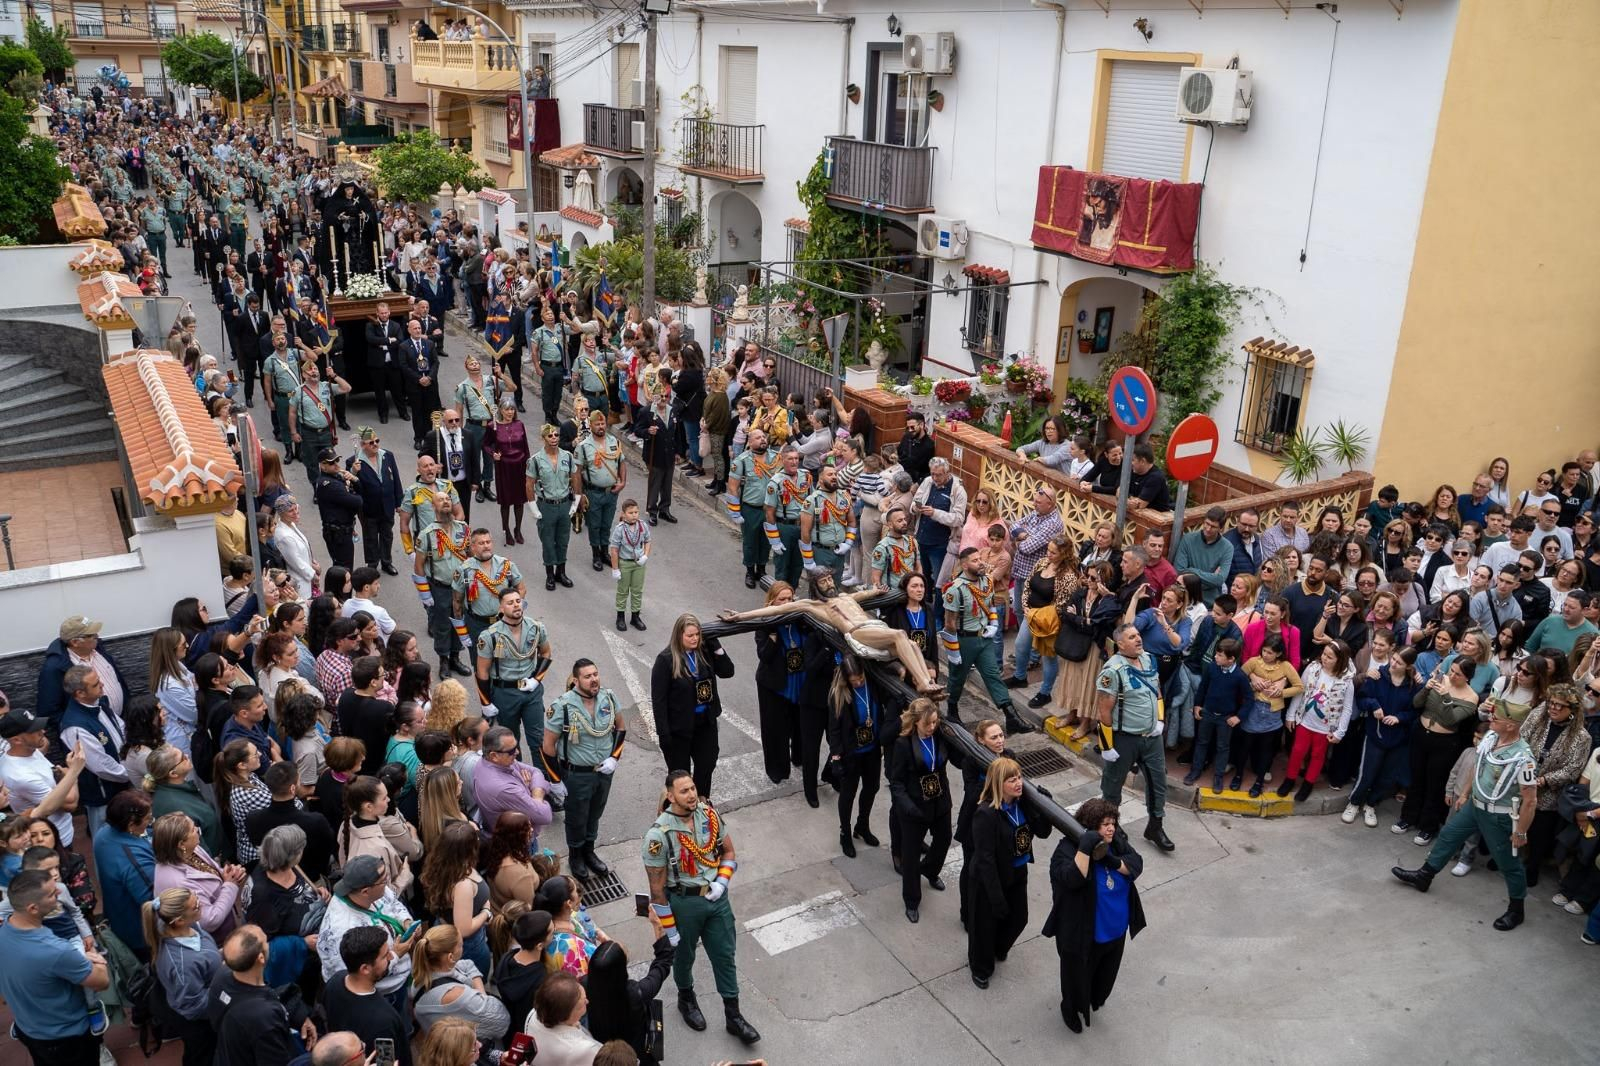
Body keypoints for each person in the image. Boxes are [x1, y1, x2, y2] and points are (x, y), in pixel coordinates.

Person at [1390, 695, 1539, 931]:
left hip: (1498, 815)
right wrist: (1465, 793)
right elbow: (1478, 767)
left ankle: (1516, 909)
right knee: (1448, 835)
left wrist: (1520, 832)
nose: (1491, 718)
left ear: (1511, 725)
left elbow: (1530, 801)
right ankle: (1424, 876)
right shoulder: (1491, 738)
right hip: (1475, 806)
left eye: (1496, 718)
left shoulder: (1524, 759)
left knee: (1509, 863)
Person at [640, 770, 760, 1045]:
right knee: (683, 956)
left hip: (716, 899)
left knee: (725, 955)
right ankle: (686, 999)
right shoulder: (659, 835)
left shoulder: (709, 815)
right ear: (670, 796)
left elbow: (728, 852)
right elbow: (657, 891)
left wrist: (722, 882)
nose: (692, 794)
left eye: (693, 788)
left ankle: (734, 1016)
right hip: (684, 903)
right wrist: (668, 929)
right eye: (684, 791)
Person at [1043, 798, 1146, 1033]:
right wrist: (1085, 849)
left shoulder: (1115, 842)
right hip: (1083, 935)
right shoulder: (1067, 850)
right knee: (1075, 980)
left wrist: (1110, 859)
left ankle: (1093, 999)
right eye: (1105, 824)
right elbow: (1071, 880)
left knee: (1103, 981)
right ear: (1090, 826)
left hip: (1115, 930)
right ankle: (1069, 1008)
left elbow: (1136, 863)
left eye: (1113, 823)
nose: (1111, 828)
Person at [0, 869, 111, 1064]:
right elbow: (101, 982)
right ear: (33, 908)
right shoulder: (56, 951)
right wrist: (94, 958)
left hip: (30, 1030)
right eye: (52, 894)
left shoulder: (4, 930)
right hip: (67, 1037)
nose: (59, 893)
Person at [967, 756, 1051, 988]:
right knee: (984, 925)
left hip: (1017, 871)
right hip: (990, 878)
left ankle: (998, 947)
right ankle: (980, 967)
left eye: (1019, 777)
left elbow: (1043, 832)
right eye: (1011, 779)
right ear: (998, 783)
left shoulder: (1022, 804)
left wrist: (1045, 806)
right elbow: (985, 859)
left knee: (1019, 918)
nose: (1018, 783)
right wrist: (996, 897)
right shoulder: (986, 814)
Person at [541, 659, 626, 881]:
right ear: (576, 680)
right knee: (577, 816)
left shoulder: (608, 697)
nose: (594, 679)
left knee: (595, 812)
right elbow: (548, 746)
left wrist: (614, 758)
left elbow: (621, 727)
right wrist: (555, 780)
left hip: (603, 771)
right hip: (577, 774)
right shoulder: (563, 706)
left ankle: (589, 851)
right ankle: (576, 856)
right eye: (588, 676)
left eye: (596, 674)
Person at [1094, 624, 1176, 851]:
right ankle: (1112, 826)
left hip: (1151, 737)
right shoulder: (1112, 671)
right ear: (1120, 644)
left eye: (1138, 635)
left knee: (1158, 783)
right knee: (1112, 787)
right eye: (1132, 637)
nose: (1138, 639)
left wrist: (1160, 721)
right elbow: (1104, 710)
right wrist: (1107, 746)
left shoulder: (1149, 659)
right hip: (1124, 738)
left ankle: (1155, 826)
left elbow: (1157, 690)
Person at [944, 547, 1033, 734]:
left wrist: (993, 624)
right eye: (975, 560)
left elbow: (990, 605)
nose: (981, 563)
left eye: (980, 559)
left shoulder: (986, 581)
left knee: (993, 676)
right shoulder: (956, 589)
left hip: (984, 640)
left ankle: (1012, 717)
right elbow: (950, 623)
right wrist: (953, 650)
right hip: (964, 640)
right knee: (957, 677)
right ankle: (952, 711)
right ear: (965, 564)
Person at [651, 614, 736, 799]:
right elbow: (659, 701)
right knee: (681, 776)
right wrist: (663, 734)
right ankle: (682, 810)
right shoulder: (665, 660)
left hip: (705, 724)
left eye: (697, 634)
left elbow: (728, 672)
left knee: (707, 765)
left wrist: (717, 647)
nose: (695, 639)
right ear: (679, 635)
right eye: (690, 635)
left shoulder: (704, 652)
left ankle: (702, 804)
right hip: (679, 729)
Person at [208, 924, 317, 1066]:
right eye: (266, 942)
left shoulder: (222, 976)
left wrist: (299, 1015)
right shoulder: (263, 1017)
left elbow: (269, 994)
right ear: (261, 958)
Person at [887, 698, 953, 923]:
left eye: (935, 722)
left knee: (944, 839)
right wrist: (908, 807)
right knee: (911, 854)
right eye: (928, 724)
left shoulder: (940, 736)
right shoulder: (903, 745)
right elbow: (896, 782)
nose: (932, 727)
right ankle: (912, 900)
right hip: (915, 807)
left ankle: (931, 870)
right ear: (916, 722)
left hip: (940, 802)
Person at [146, 887, 222, 1066]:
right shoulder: (182, 964)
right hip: (200, 1024)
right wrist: (226, 990)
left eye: (197, 897)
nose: (200, 904)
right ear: (179, 920)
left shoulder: (185, 925)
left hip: (208, 1007)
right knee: (202, 1056)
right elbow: (194, 1007)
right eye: (195, 906)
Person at [826, 657, 892, 860]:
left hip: (871, 749)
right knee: (848, 794)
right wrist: (836, 756)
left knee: (871, 788)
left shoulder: (872, 684)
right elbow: (834, 729)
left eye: (860, 678)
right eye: (853, 680)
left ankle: (862, 825)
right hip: (851, 753)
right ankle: (845, 832)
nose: (858, 683)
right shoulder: (839, 695)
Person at [473, 588, 551, 753]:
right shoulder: (489, 636)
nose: (516, 605)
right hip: (505, 693)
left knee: (538, 738)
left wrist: (536, 680)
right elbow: (482, 671)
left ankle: (542, 776)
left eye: (518, 601)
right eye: (510, 603)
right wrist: (485, 703)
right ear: (501, 608)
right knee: (510, 740)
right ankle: (515, 775)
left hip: (531, 691)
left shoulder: (536, 628)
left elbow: (546, 653)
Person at [321, 926, 412, 1066]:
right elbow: (385, 1063)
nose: (390, 957)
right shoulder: (384, 1021)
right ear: (365, 969)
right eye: (385, 955)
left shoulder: (335, 982)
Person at [56, 665, 130, 837]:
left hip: (121, 783)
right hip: (103, 795)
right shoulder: (75, 726)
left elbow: (121, 728)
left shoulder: (99, 703)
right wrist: (132, 773)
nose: (102, 685)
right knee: (106, 839)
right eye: (96, 684)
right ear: (80, 693)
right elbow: (101, 766)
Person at [1279, 641, 1357, 801]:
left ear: (1339, 660)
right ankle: (1290, 778)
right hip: (1306, 721)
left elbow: (1347, 709)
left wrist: (1340, 731)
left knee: (1317, 755)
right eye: (1324, 654)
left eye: (1330, 657)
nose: (1324, 658)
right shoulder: (1312, 668)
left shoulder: (1347, 681)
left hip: (1325, 727)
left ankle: (1308, 783)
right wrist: (1291, 715)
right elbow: (1301, 691)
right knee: (1298, 750)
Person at [409, 923, 511, 1042]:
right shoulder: (456, 994)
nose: (462, 948)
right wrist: (482, 995)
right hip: (457, 1051)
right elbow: (502, 1019)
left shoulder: (422, 975)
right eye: (461, 945)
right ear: (450, 957)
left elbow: (467, 964)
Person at [92, 789, 156, 954]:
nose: (150, 822)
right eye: (148, 819)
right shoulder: (133, 857)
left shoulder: (104, 833)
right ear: (131, 824)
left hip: (118, 918)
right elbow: (153, 899)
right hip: (141, 932)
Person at [453, 528, 527, 669]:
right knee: (480, 665)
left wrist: (514, 609)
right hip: (477, 624)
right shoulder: (465, 570)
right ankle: (484, 691)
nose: (486, 545)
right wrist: (462, 631)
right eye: (481, 543)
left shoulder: (506, 565)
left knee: (504, 662)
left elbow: (522, 588)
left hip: (504, 623)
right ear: (473, 547)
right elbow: (457, 601)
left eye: (488, 542)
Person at [475, 725, 556, 850]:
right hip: (518, 847)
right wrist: (536, 796)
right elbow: (544, 815)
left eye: (516, 747)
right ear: (494, 755)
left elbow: (536, 772)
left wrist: (530, 793)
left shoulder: (493, 762)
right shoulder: (502, 789)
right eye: (512, 751)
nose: (517, 752)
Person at [526, 422, 580, 590]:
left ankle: (561, 572)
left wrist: (576, 501)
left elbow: (575, 477)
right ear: (543, 438)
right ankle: (550, 574)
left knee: (563, 540)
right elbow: (529, 484)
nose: (554, 438)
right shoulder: (535, 460)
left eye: (556, 435)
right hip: (546, 505)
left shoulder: (567, 457)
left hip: (564, 504)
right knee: (548, 541)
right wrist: (534, 508)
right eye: (550, 436)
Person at [725, 428, 777, 588]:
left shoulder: (776, 458)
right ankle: (750, 570)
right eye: (758, 437)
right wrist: (735, 511)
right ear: (750, 442)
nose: (762, 439)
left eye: (763, 436)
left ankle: (761, 570)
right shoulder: (742, 460)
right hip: (751, 508)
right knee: (750, 541)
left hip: (770, 509)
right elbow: (733, 487)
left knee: (766, 540)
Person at [525, 972, 601, 1066]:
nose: (587, 1001)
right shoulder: (583, 1049)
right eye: (581, 1004)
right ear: (565, 1015)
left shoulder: (533, 1014)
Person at [609, 498, 652, 632]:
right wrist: (615, 569)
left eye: (636, 512)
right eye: (630, 512)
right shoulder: (619, 529)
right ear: (623, 514)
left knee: (637, 591)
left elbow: (647, 541)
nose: (634, 515)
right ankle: (620, 617)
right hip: (625, 563)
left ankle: (635, 617)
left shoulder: (642, 525)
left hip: (639, 563)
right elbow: (614, 549)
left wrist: (645, 555)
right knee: (623, 591)